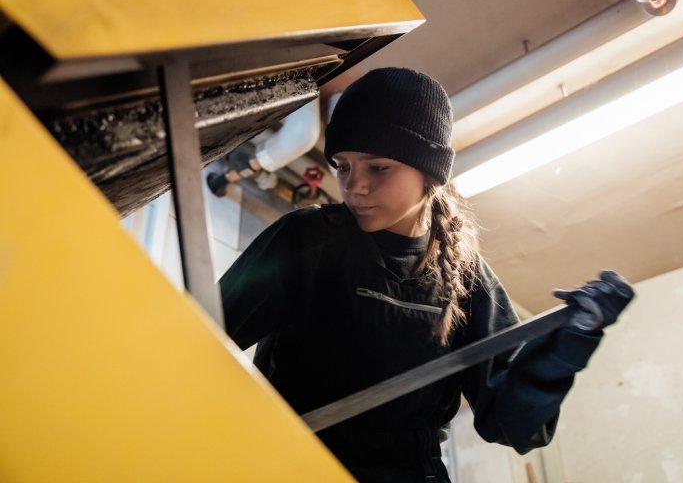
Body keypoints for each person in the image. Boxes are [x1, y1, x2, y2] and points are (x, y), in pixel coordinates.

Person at [219, 67, 634, 482]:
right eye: (343, 166)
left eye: (378, 168)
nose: (354, 186)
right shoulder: (306, 242)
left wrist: (571, 342)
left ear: (429, 172)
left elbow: (512, 425)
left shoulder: (465, 276)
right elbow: (202, 335)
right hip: (291, 466)